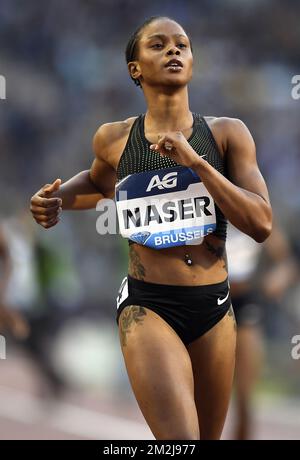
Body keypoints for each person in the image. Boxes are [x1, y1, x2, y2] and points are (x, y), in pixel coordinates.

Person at [30, 16, 272, 440]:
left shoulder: (228, 135)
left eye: (182, 44)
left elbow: (261, 222)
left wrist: (195, 164)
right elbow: (98, 182)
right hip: (149, 306)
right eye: (158, 45)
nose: (174, 51)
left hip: (215, 307)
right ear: (135, 69)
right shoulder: (115, 138)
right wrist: (57, 199)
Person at [227, 223, 298, 439]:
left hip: (246, 303)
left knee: (245, 395)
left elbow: (286, 263)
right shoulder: (205, 212)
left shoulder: (252, 215)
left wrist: (279, 277)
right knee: (204, 393)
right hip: (209, 301)